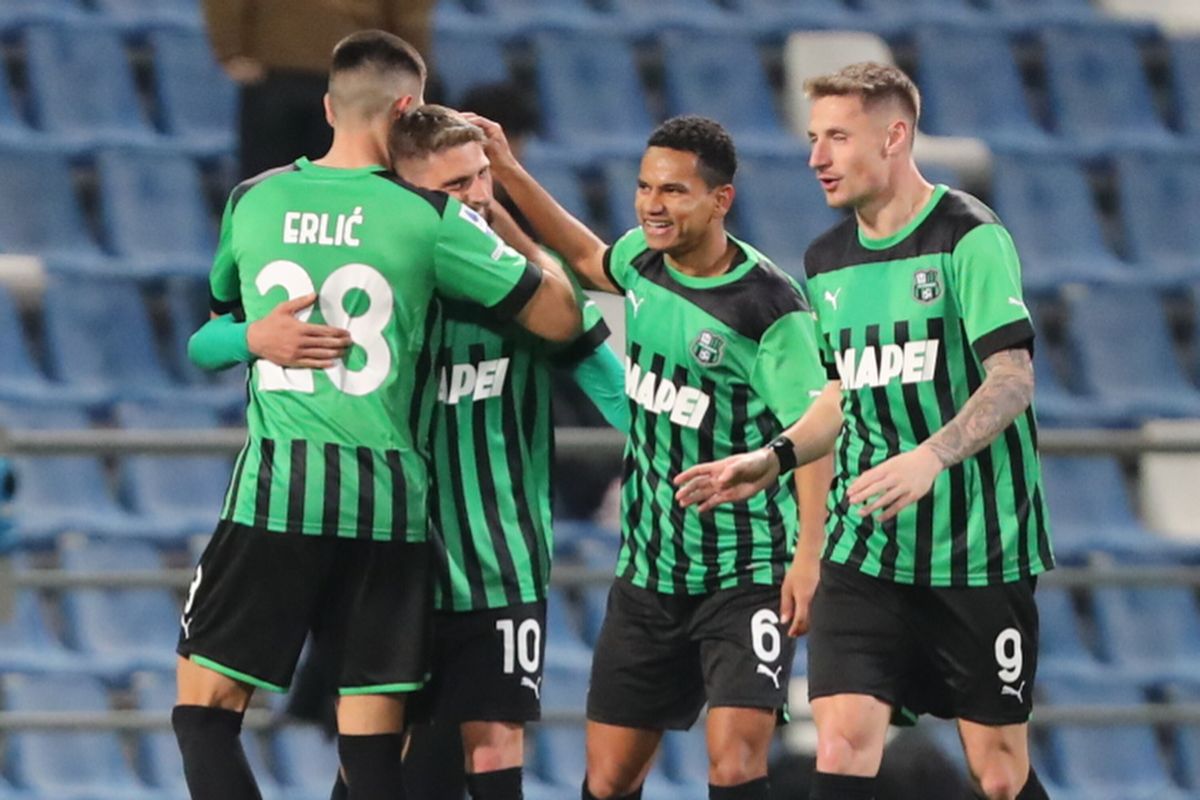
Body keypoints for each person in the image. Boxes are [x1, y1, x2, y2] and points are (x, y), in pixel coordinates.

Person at [173, 31, 581, 800]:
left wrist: (254, 339)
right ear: (406, 111)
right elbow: (563, 319)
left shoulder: (255, 200)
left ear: (329, 108)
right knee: (370, 752)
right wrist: (510, 223)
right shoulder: (431, 218)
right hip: (391, 506)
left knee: (205, 714)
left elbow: (206, 339)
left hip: (280, 491)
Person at [674, 63, 1053, 800]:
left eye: (838, 137)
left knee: (999, 774)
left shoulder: (968, 237)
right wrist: (773, 457)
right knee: (842, 744)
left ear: (894, 136)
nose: (817, 157)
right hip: (865, 546)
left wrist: (931, 457)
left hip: (977, 546)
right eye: (814, 137)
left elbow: (1012, 378)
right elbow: (840, 393)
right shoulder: (825, 262)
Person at [472, 112, 833, 800]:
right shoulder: (644, 258)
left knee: (735, 763)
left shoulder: (767, 307)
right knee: (610, 778)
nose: (652, 205)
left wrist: (808, 558)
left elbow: (816, 433)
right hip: (648, 571)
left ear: (720, 200)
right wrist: (508, 175)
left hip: (746, 569)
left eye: (673, 191)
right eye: (644, 187)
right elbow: (588, 259)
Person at [201, 0, 436, 180]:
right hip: (354, 78)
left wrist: (231, 51)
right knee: (344, 192)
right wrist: (409, 68)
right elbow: (409, 16)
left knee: (266, 190)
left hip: (277, 74)